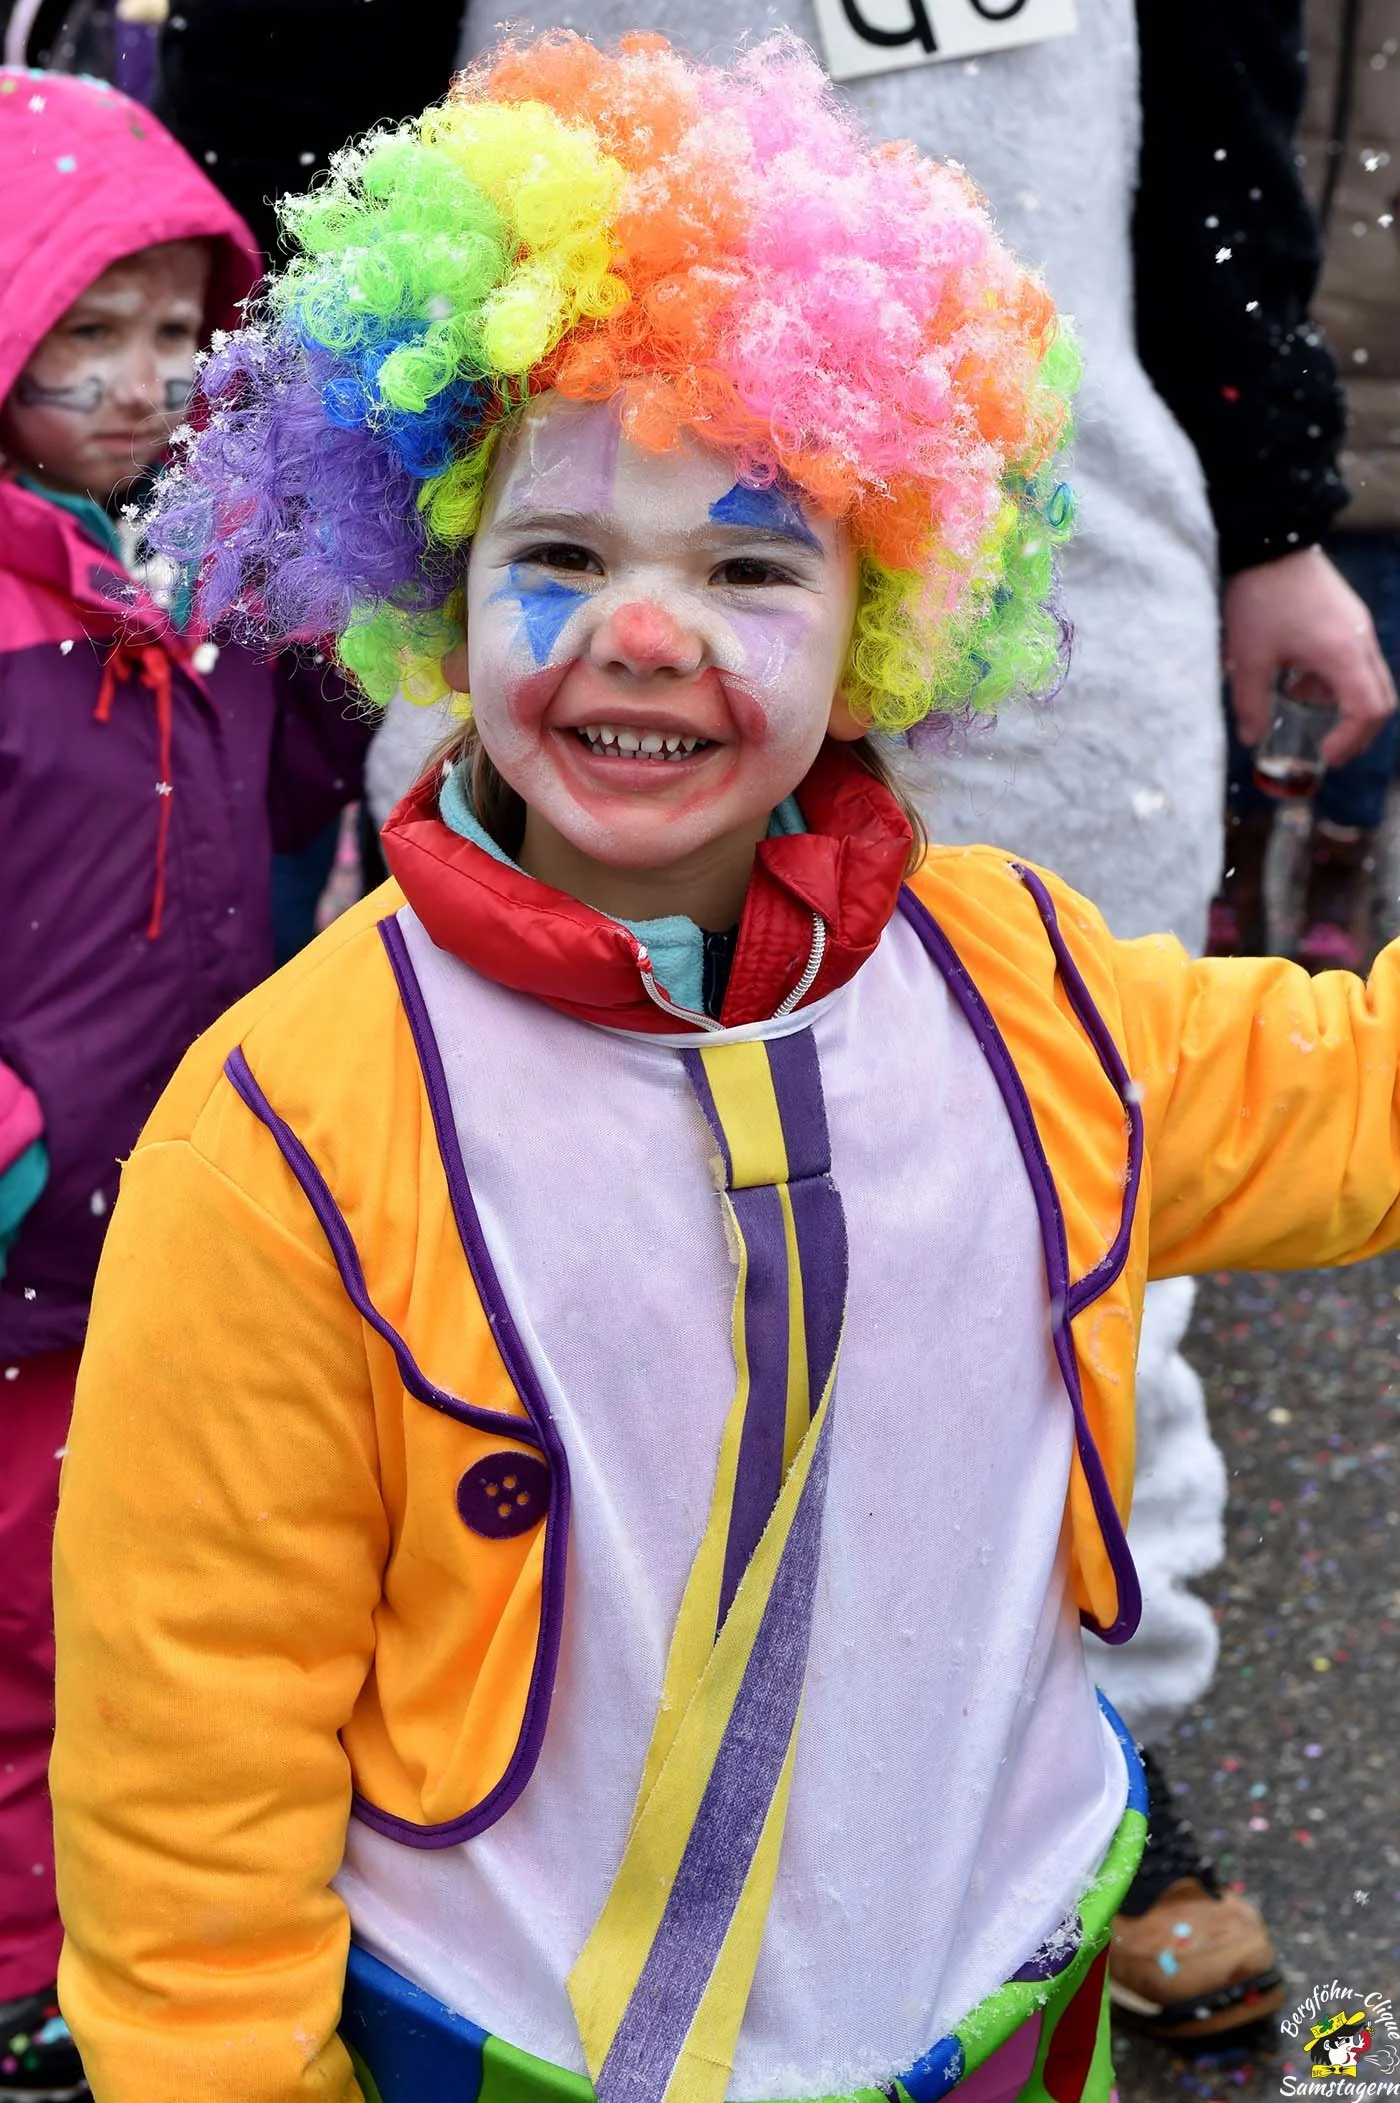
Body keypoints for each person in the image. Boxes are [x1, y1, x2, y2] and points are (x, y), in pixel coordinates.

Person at [47, 37, 1400, 2103]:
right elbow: (190, 1714)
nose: (649, 633)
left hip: (999, 2016)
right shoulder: (300, 1123)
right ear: (435, 575)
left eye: (753, 566)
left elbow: (1351, 1095)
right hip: (516, 2049)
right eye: (564, 556)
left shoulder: (1027, 999)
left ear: (884, 612)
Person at [0, 67, 365, 2101]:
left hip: (183, 1226)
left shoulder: (222, 595)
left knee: (129, 1615)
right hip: (24, 1220)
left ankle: (113, 1959)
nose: (142, 383)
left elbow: (314, 804)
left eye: (178, 328)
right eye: (85, 330)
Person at [1212, 0, 1400, 972]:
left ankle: (1339, 853)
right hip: (1268, 373)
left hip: (1384, 409)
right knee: (1234, 671)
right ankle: (1232, 860)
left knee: (1365, 669)